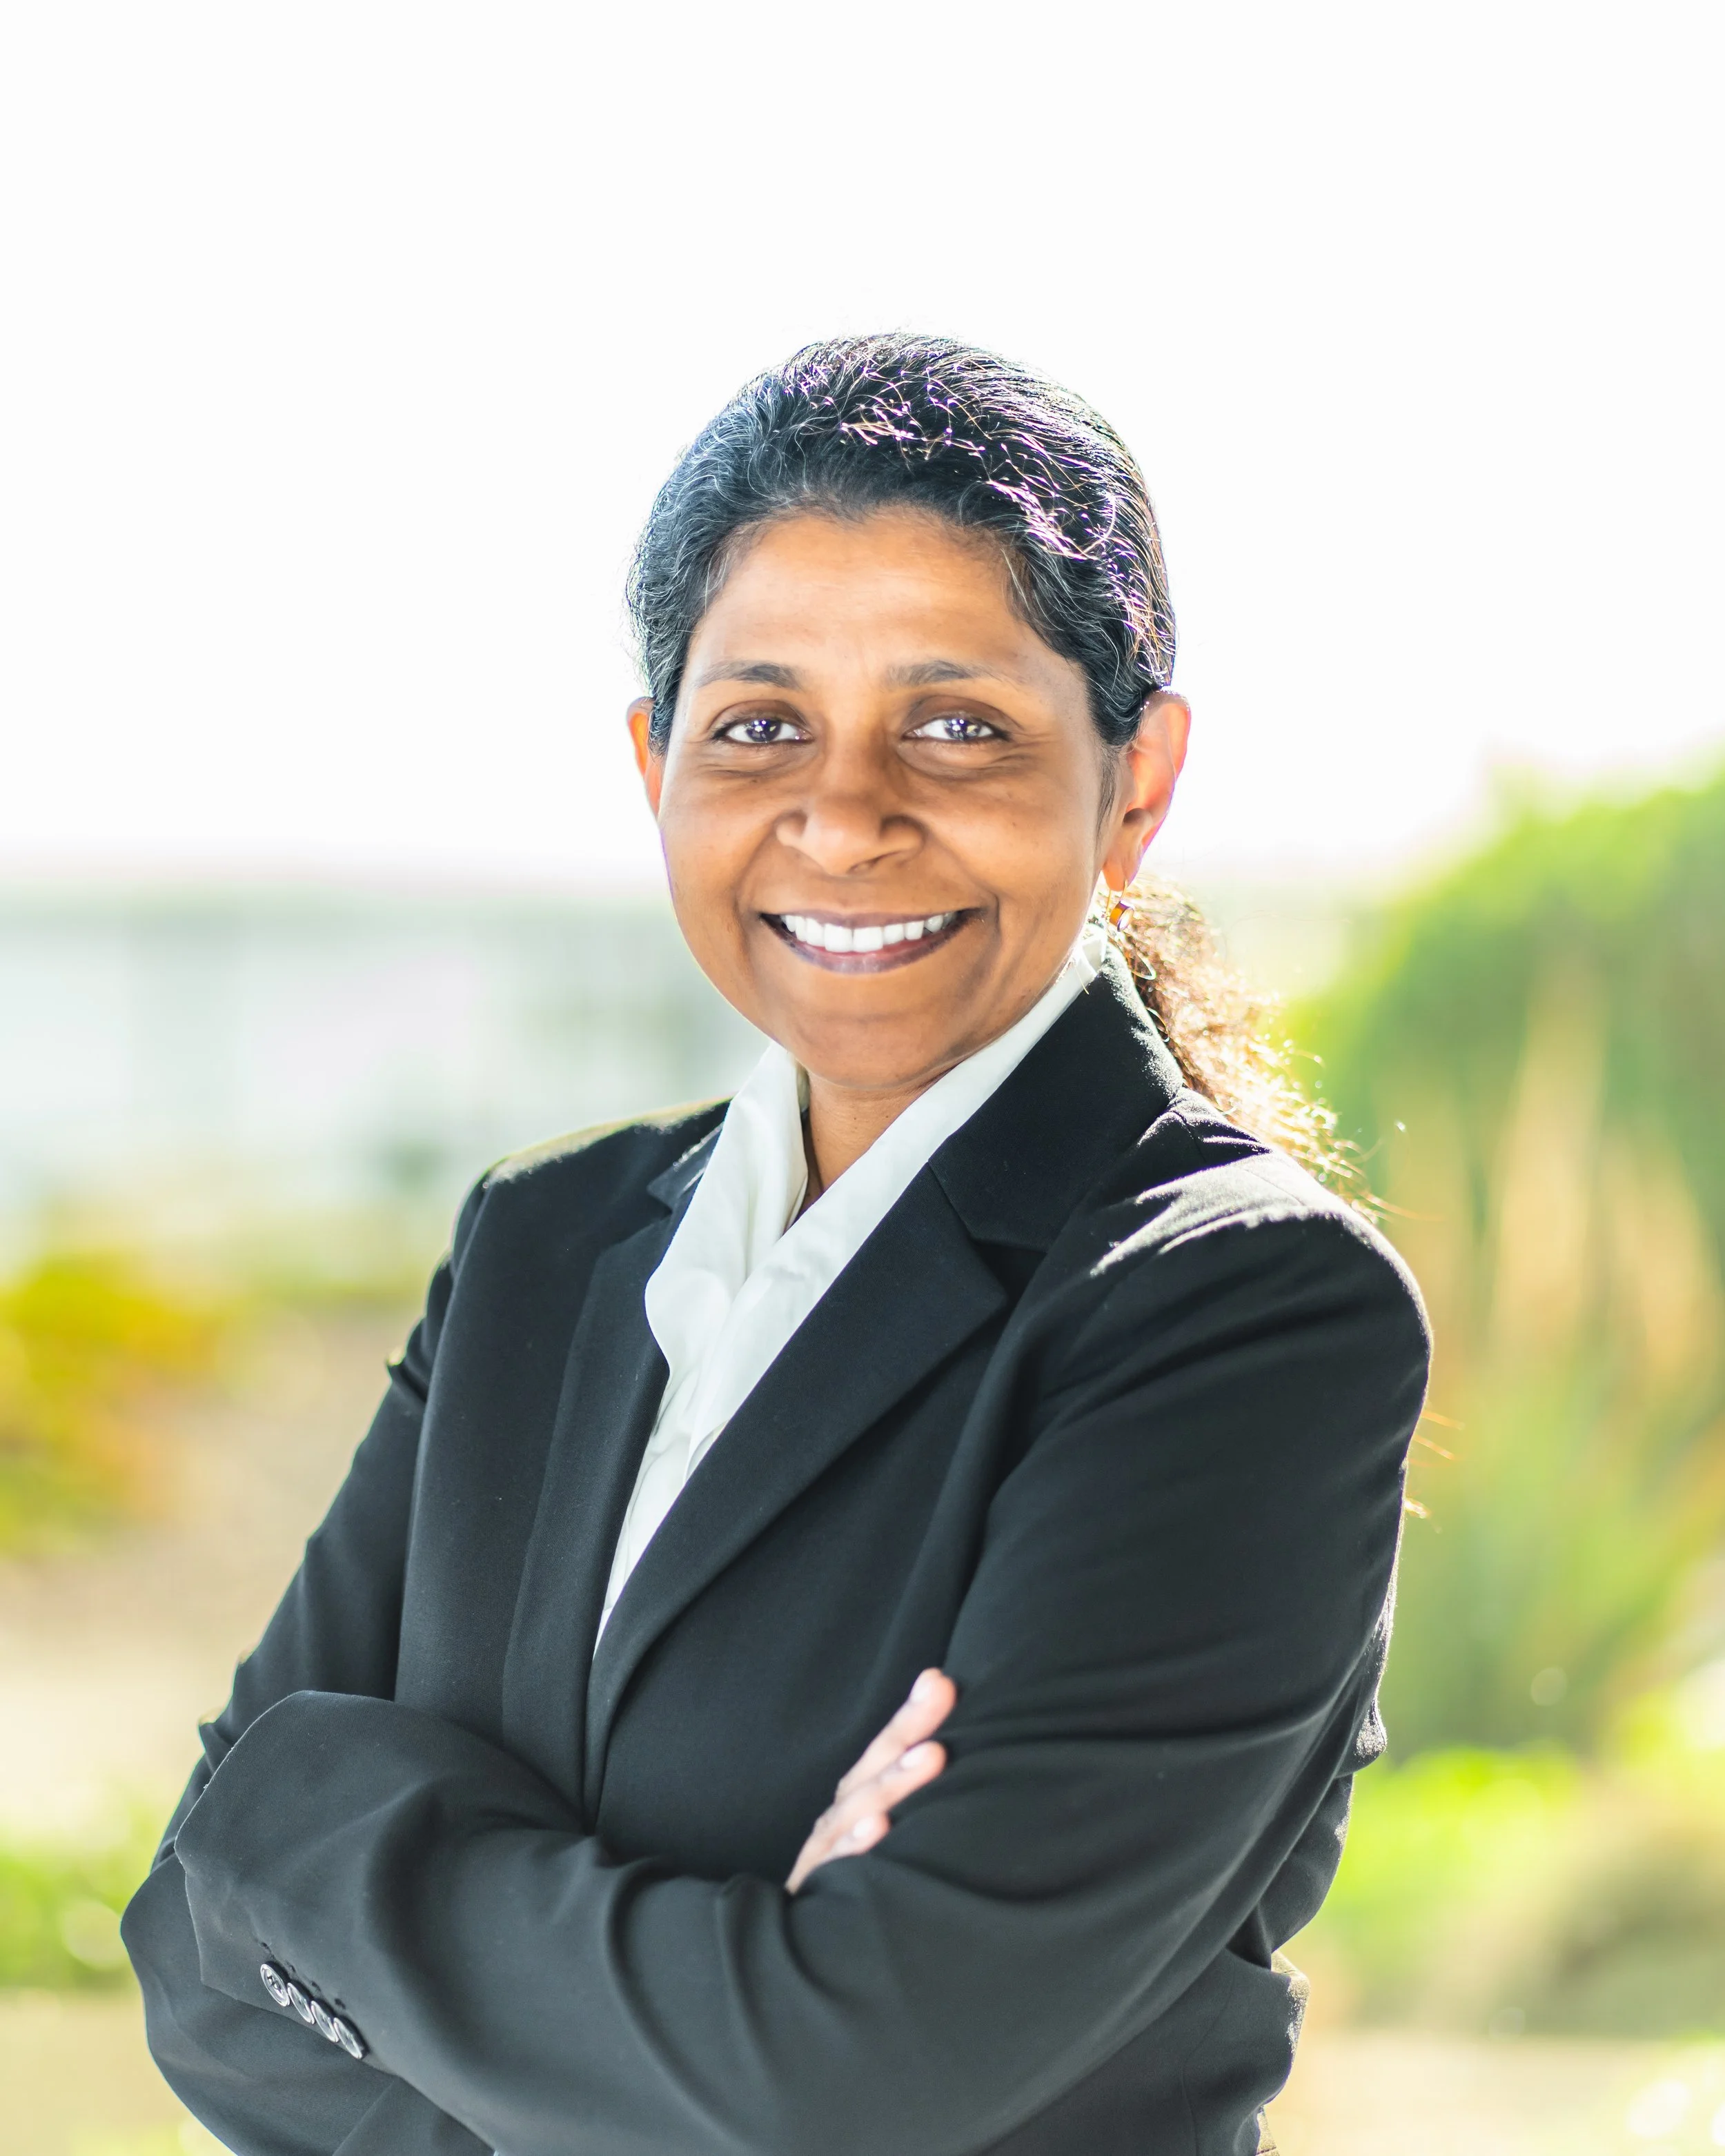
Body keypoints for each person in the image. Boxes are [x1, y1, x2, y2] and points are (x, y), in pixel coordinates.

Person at [124, 334, 1429, 2156]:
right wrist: (721, 1991)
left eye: (956, 723)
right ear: (659, 762)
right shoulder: (543, 1249)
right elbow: (190, 1947)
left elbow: (850, 2076)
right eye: (758, 725)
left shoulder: (1235, 1306)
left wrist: (327, 1831)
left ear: (1135, 778)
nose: (842, 813)